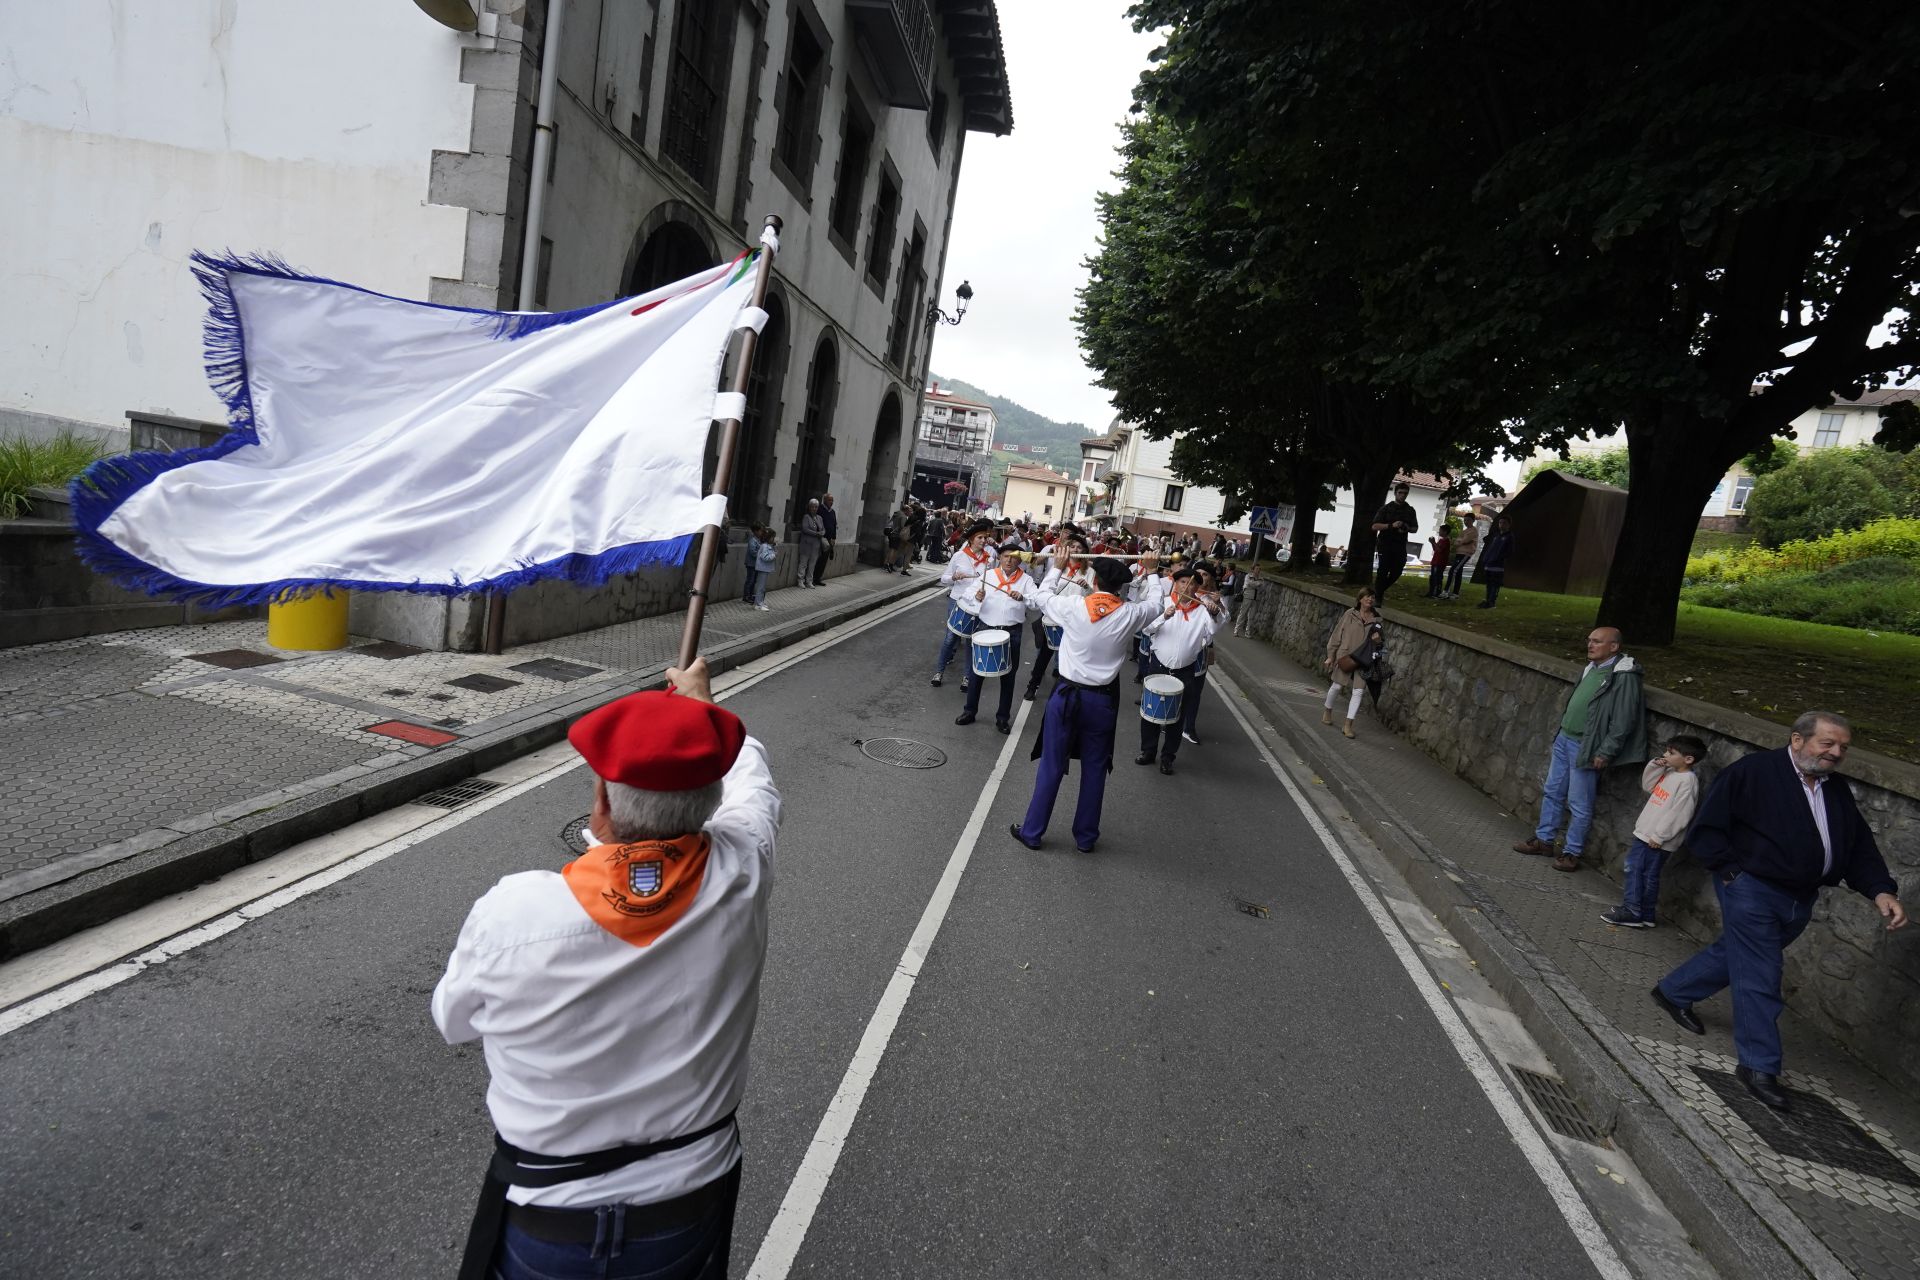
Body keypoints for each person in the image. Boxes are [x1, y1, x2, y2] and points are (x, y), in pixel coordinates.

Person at [432, 659, 779, 1280]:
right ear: (713, 799)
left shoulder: (514, 913)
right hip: (687, 1211)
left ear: (599, 801)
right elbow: (756, 790)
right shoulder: (743, 868)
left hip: (548, 1221)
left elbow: (453, 1020)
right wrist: (706, 709)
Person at [1652, 713, 1905, 1112]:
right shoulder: (1753, 773)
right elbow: (1708, 827)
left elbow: (1858, 846)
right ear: (1798, 740)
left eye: (1843, 747)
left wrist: (1880, 891)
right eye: (1828, 744)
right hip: (1751, 887)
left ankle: (1673, 991)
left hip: (1799, 897)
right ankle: (1758, 1067)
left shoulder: (1833, 789)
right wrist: (1732, 873)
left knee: (1741, 952)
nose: (1836, 753)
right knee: (1760, 974)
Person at [1010, 555, 1163, 853]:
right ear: (1120, 588)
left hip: (1066, 695)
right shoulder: (1131, 613)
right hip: (1102, 701)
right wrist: (1154, 573)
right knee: (1095, 768)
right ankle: (1085, 837)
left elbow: (1042, 595)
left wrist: (1058, 567)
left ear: (1095, 582)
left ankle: (1032, 832)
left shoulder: (1074, 606)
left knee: (1052, 766)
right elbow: (1158, 605)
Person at [1512, 626, 1649, 871]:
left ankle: (1571, 852)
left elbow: (1624, 719)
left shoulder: (1624, 675)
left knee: (1579, 802)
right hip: (1566, 738)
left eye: (1597, 641)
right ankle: (1544, 840)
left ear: (1614, 647)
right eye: (1589, 640)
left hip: (1586, 745)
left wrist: (1606, 750)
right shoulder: (1592, 669)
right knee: (1552, 791)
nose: (1590, 645)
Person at [1600, 735, 1707, 929]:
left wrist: (1660, 836)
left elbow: (1680, 814)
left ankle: (1632, 911)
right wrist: (1656, 766)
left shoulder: (1687, 781)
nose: (1665, 754)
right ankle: (1646, 913)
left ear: (1688, 759)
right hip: (1647, 833)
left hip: (1656, 838)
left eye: (1671, 752)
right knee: (1647, 874)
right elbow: (1648, 786)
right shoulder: (1671, 772)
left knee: (1636, 871)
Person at [1136, 566, 1221, 774]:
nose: (1186, 586)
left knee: (1177, 716)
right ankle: (1148, 751)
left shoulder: (1203, 609)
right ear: (1175, 584)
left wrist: (1216, 613)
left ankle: (1168, 757)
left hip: (1185, 670)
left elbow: (1213, 631)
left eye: (1191, 583)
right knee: (1150, 712)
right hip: (1158, 665)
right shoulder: (1163, 603)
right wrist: (1163, 617)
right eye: (1182, 582)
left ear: (1196, 588)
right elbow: (1146, 630)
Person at [957, 544, 1033, 733]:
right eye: (1006, 556)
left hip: (1012, 632)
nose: (1009, 560)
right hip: (986, 628)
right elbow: (967, 596)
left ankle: (1002, 718)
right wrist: (977, 596)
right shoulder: (987, 576)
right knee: (977, 673)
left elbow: (1036, 603)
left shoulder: (1026, 580)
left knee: (1008, 676)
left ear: (1020, 560)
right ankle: (970, 711)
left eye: (1014, 557)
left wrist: (1023, 597)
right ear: (999, 557)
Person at [931, 520, 994, 687]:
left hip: (977, 603)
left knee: (971, 641)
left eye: (985, 537)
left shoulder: (989, 560)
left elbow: (991, 583)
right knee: (950, 637)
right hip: (958, 600)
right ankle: (939, 671)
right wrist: (954, 577)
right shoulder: (960, 556)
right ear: (972, 539)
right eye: (980, 537)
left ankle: (967, 676)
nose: (983, 541)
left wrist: (985, 592)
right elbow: (943, 579)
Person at [1321, 588, 1381, 739]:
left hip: (1364, 659)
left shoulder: (1377, 618)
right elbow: (1336, 635)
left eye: (1372, 597)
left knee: (1358, 691)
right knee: (1337, 686)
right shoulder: (1350, 614)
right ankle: (1327, 710)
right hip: (1346, 656)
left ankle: (1348, 724)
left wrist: (1377, 640)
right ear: (1360, 599)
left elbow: (1381, 642)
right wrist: (1330, 656)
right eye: (1367, 597)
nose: (1370, 600)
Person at [1370, 481, 1419, 601]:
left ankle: (1378, 591)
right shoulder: (1386, 508)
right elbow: (1374, 526)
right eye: (1400, 493)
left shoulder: (1410, 510)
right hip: (1385, 543)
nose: (1402, 495)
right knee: (1383, 569)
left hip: (1400, 544)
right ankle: (1378, 597)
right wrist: (1391, 526)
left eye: (1405, 493)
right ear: (1395, 493)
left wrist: (1406, 528)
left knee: (1398, 569)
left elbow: (1415, 528)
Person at [1476, 514, 1513, 608]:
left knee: (1495, 584)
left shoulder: (1509, 537)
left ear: (1509, 525)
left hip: (1498, 565)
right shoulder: (1495, 536)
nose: (1501, 525)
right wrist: (1486, 559)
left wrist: (1499, 558)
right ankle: (1487, 600)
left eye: (1504, 523)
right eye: (1500, 523)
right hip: (1489, 563)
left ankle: (1492, 602)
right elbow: (1490, 547)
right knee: (1488, 584)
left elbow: (1510, 551)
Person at [1444, 512, 1478, 599]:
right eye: (1465, 520)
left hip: (1466, 554)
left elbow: (1464, 541)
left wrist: (1461, 541)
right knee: (1458, 572)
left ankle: (1446, 591)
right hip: (1459, 553)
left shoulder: (1473, 531)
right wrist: (1460, 541)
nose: (1466, 522)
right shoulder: (1464, 531)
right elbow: (1457, 542)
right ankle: (1455, 593)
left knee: (1453, 570)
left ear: (1473, 521)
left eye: (1468, 520)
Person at [743, 526, 776, 610]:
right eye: (773, 537)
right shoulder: (764, 546)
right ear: (768, 537)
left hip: (765, 568)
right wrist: (773, 555)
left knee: (762, 587)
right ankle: (758, 604)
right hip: (763, 568)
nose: (774, 539)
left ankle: (760, 602)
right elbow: (764, 557)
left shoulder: (766, 545)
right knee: (761, 587)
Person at [796, 499, 825, 588]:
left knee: (812, 564)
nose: (814, 509)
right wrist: (816, 533)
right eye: (812, 507)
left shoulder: (820, 518)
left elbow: (823, 529)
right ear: (809, 507)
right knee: (803, 563)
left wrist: (823, 533)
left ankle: (809, 581)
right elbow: (805, 529)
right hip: (806, 544)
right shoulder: (806, 517)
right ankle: (800, 580)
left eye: (816, 507)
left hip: (816, 545)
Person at [1425, 523, 1451, 598]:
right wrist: (1432, 543)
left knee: (1437, 578)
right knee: (1432, 577)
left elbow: (1439, 550)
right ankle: (1431, 592)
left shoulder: (1446, 541)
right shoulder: (1441, 540)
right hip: (1435, 561)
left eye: (1440, 530)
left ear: (1445, 532)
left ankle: (1436, 593)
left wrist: (1433, 542)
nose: (1439, 532)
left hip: (1440, 562)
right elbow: (1435, 549)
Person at [815, 494, 837, 586]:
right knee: (816, 559)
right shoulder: (820, 509)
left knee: (823, 560)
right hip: (819, 538)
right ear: (824, 500)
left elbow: (834, 525)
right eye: (829, 500)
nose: (831, 502)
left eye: (832, 500)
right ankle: (810, 578)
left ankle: (817, 578)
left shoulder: (832, 512)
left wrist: (833, 538)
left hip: (828, 539)